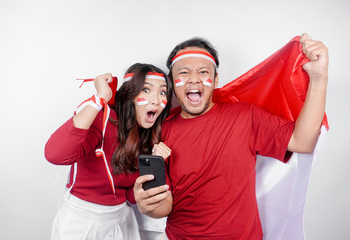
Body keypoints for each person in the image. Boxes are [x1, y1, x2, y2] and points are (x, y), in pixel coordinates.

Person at [133, 33, 329, 239]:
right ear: (173, 83)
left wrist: (319, 78)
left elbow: (303, 142)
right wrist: (149, 204)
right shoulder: (160, 130)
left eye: (203, 71)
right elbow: (164, 206)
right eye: (183, 72)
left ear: (216, 80)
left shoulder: (246, 116)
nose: (193, 78)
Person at [44, 63, 173, 240]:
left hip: (122, 219)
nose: (157, 100)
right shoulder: (103, 120)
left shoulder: (150, 136)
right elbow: (55, 154)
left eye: (162, 92)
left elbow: (131, 194)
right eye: (146, 90)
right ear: (129, 94)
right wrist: (100, 98)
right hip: (82, 221)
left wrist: (155, 167)